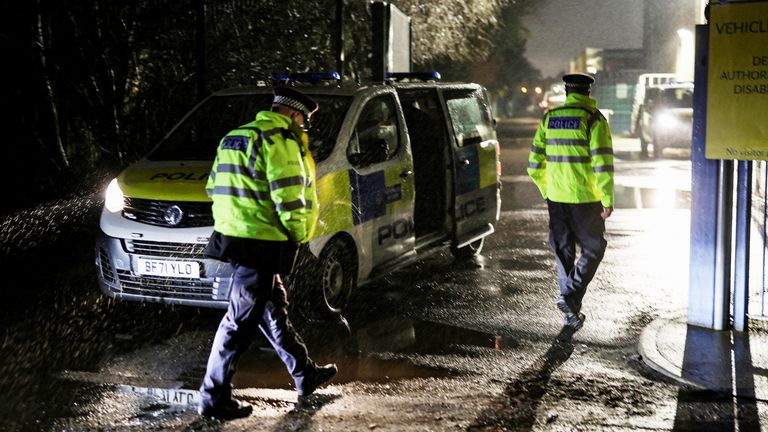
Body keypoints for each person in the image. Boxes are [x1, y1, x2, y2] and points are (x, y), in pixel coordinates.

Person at [199, 86, 337, 419]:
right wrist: (299, 235)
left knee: (274, 308)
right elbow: (289, 197)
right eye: (303, 120)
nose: (303, 126)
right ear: (292, 113)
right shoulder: (281, 141)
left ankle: (305, 373)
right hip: (263, 241)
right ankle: (213, 398)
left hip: (235, 236)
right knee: (238, 322)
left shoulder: (236, 136)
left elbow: (212, 185)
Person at [527, 73, 614, 332]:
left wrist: (547, 190)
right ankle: (570, 297)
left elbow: (533, 165)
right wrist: (607, 200)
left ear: (567, 92)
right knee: (594, 249)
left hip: (556, 199)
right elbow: (603, 164)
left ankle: (571, 312)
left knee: (563, 252)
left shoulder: (549, 119)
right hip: (586, 200)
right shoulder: (594, 120)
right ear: (588, 93)